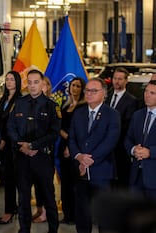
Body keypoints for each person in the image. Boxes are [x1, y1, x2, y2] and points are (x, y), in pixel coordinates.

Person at [7, 69, 60, 233]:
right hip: (22, 157)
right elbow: (11, 127)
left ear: (42, 83)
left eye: (36, 82)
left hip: (42, 157)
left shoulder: (51, 106)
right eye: (29, 82)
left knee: (48, 197)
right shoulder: (19, 103)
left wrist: (34, 146)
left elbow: (54, 132)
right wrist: (22, 145)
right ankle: (24, 229)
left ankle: (53, 229)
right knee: (23, 198)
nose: (32, 86)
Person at [68, 77, 121, 233]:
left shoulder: (112, 114)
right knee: (82, 215)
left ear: (103, 94)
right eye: (87, 90)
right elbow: (72, 139)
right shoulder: (78, 113)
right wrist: (78, 156)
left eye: (94, 91)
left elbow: (110, 142)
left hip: (101, 172)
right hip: (80, 172)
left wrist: (87, 161)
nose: (89, 93)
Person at [57, 77, 86, 225]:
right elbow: (61, 125)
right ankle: (67, 215)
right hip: (63, 147)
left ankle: (76, 215)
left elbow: (79, 131)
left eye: (78, 86)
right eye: (73, 85)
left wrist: (70, 144)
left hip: (75, 149)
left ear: (82, 89)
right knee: (65, 183)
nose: (74, 88)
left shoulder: (83, 107)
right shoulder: (65, 104)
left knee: (76, 184)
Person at [104, 67, 138, 189]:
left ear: (126, 81)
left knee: (121, 181)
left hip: (120, 148)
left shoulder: (131, 101)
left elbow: (127, 125)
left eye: (120, 79)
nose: (117, 81)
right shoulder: (106, 97)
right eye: (115, 78)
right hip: (105, 149)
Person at [0, 71, 21, 225]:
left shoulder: (20, 100)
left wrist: (5, 138)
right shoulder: (3, 99)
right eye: (7, 80)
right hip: (3, 145)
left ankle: (10, 211)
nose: (9, 82)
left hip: (14, 145)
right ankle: (11, 208)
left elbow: (15, 124)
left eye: (12, 79)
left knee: (13, 179)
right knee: (6, 178)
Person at [125, 80, 156, 200]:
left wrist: (150, 152)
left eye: (152, 93)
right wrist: (133, 149)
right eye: (146, 91)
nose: (147, 95)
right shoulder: (137, 115)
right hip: (136, 177)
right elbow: (128, 138)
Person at [32, 76, 53, 223]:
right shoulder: (32, 104)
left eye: (43, 85)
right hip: (32, 151)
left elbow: (52, 131)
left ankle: (46, 213)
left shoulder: (51, 105)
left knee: (46, 185)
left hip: (47, 150)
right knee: (37, 184)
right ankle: (40, 210)